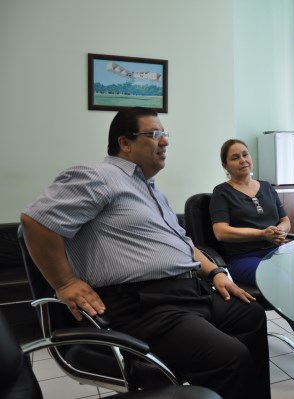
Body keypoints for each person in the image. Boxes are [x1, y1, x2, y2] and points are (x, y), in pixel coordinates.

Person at [20, 107, 271, 399]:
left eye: (165, 134)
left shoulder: (151, 190)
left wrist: (215, 273)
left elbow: (184, 244)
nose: (164, 142)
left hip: (190, 292)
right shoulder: (98, 176)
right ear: (125, 143)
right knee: (231, 357)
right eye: (154, 135)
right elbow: (36, 221)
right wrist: (65, 282)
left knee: (251, 315)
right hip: (146, 306)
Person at [210, 139, 291, 286]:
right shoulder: (221, 192)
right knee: (277, 277)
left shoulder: (267, 187)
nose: (242, 160)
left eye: (245, 155)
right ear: (225, 165)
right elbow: (221, 232)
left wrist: (279, 231)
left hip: (275, 251)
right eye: (235, 158)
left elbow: (285, 220)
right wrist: (262, 234)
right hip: (243, 257)